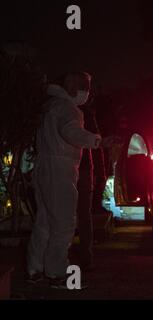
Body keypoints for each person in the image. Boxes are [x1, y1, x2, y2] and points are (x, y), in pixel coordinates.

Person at [26, 72, 118, 288]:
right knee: (64, 223)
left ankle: (34, 269)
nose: (88, 92)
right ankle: (56, 273)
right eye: (86, 87)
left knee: (44, 222)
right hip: (60, 170)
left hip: (43, 167)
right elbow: (70, 132)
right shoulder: (69, 109)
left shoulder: (50, 106)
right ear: (76, 88)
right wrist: (98, 141)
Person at [76, 95, 107, 270]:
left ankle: (81, 256)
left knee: (77, 214)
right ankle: (85, 256)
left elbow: (96, 145)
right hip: (83, 168)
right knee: (83, 214)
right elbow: (96, 144)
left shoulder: (58, 109)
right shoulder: (86, 114)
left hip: (78, 168)